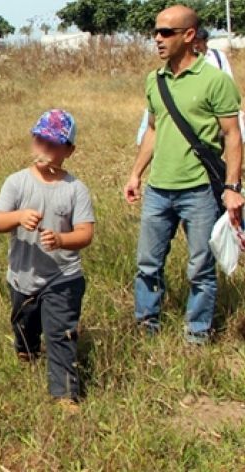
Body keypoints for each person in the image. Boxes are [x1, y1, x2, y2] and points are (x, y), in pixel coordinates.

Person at [124, 5, 244, 345]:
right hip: (158, 189)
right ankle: (146, 330)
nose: (157, 39)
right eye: (155, 32)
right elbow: (152, 129)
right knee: (147, 264)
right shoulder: (154, 80)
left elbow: (234, 136)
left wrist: (233, 188)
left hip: (200, 191)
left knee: (201, 269)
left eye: (166, 33)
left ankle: (197, 335)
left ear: (189, 36)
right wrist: (135, 174)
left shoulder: (215, 81)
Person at [0, 109, 95, 411]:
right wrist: (18, 217)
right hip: (23, 276)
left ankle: (64, 394)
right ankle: (26, 349)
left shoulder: (76, 189)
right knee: (24, 324)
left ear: (69, 151)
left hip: (63, 276)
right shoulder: (17, 183)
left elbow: (86, 233)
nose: (45, 148)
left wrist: (62, 239)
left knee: (61, 333)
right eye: (40, 140)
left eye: (53, 144)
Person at [136, 28, 242, 145]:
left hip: (208, 101)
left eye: (198, 42)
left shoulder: (217, 57)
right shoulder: (157, 76)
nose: (195, 45)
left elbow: (228, 78)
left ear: (205, 41)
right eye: (194, 42)